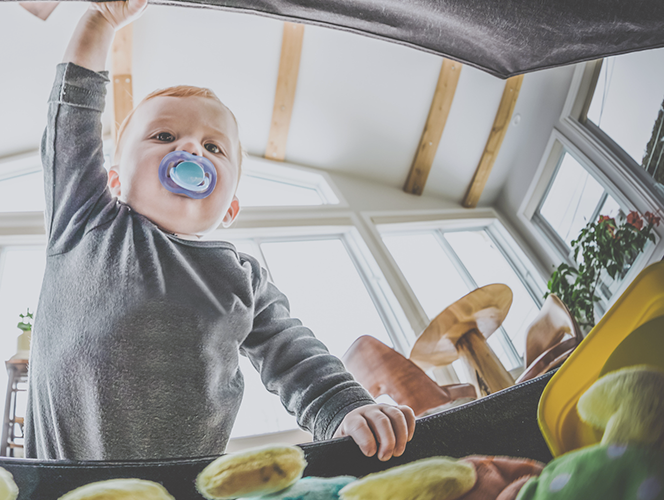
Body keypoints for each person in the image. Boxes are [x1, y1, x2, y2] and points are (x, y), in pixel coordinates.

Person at [25, 0, 415, 461]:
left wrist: (344, 406)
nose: (191, 147)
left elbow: (293, 355)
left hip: (180, 485)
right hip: (60, 478)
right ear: (114, 181)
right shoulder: (87, 222)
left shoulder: (241, 277)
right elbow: (71, 118)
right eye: (164, 137)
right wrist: (101, 20)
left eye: (213, 146)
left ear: (229, 208)